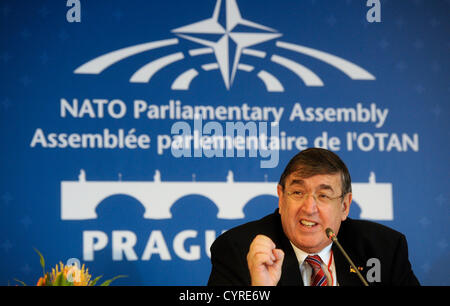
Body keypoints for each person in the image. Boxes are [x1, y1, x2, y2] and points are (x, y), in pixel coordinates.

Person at [207, 148, 420, 286]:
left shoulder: (384, 249)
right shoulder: (239, 250)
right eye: (298, 193)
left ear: (344, 206)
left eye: (324, 195)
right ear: (281, 198)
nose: (309, 208)